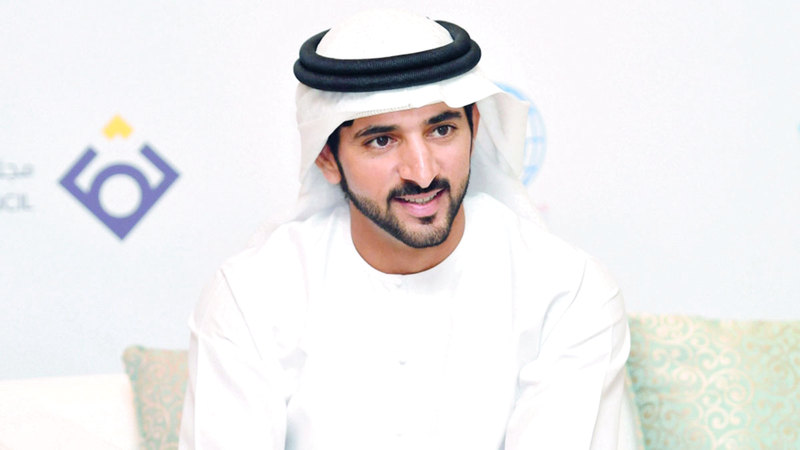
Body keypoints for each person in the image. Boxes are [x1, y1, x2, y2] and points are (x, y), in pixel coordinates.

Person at [180, 9, 635, 450]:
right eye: (382, 140)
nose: (422, 172)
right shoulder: (251, 296)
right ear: (326, 158)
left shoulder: (567, 292)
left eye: (442, 131)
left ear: (474, 128)